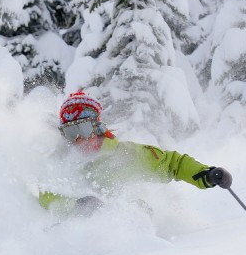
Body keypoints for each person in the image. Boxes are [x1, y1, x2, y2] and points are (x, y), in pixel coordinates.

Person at [39, 90, 232, 217]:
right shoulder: (60, 162)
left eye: (83, 128)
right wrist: (77, 206)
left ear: (97, 127)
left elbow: (173, 163)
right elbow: (45, 195)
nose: (78, 139)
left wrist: (205, 174)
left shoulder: (125, 154)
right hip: (79, 237)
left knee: (137, 208)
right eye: (71, 132)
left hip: (124, 233)